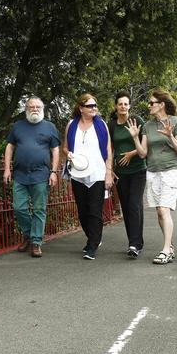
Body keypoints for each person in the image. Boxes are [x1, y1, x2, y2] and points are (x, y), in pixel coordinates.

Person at [127, 89, 177, 265]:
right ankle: (170, 245)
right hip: (152, 171)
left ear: (162, 104)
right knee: (159, 211)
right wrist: (135, 138)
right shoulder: (148, 126)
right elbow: (143, 153)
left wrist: (170, 137)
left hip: (171, 170)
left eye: (152, 103)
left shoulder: (176, 122)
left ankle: (166, 250)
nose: (149, 106)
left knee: (163, 209)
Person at [4, 96, 61, 257]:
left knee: (39, 209)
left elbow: (55, 150)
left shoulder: (50, 127)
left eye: (37, 107)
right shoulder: (18, 126)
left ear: (42, 109)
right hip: (20, 174)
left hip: (41, 174)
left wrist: (54, 172)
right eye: (31, 107)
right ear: (26, 109)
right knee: (19, 208)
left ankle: (36, 242)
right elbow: (10, 147)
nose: (34, 109)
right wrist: (7, 169)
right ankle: (29, 234)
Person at [63, 93, 114, 260]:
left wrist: (108, 173)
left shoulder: (101, 125)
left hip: (98, 173)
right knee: (82, 212)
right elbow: (65, 147)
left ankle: (92, 245)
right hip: (78, 174)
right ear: (81, 108)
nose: (94, 108)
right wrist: (69, 154)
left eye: (95, 106)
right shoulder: (71, 125)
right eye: (90, 106)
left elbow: (108, 151)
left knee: (94, 211)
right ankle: (93, 237)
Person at [109, 91, 147, 259]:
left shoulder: (137, 121)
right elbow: (109, 149)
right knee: (127, 207)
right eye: (120, 104)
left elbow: (146, 146)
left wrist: (131, 154)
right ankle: (134, 241)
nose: (123, 106)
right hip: (121, 173)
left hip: (138, 170)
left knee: (134, 204)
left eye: (126, 104)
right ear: (116, 106)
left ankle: (135, 244)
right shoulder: (111, 125)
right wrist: (109, 170)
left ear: (129, 106)